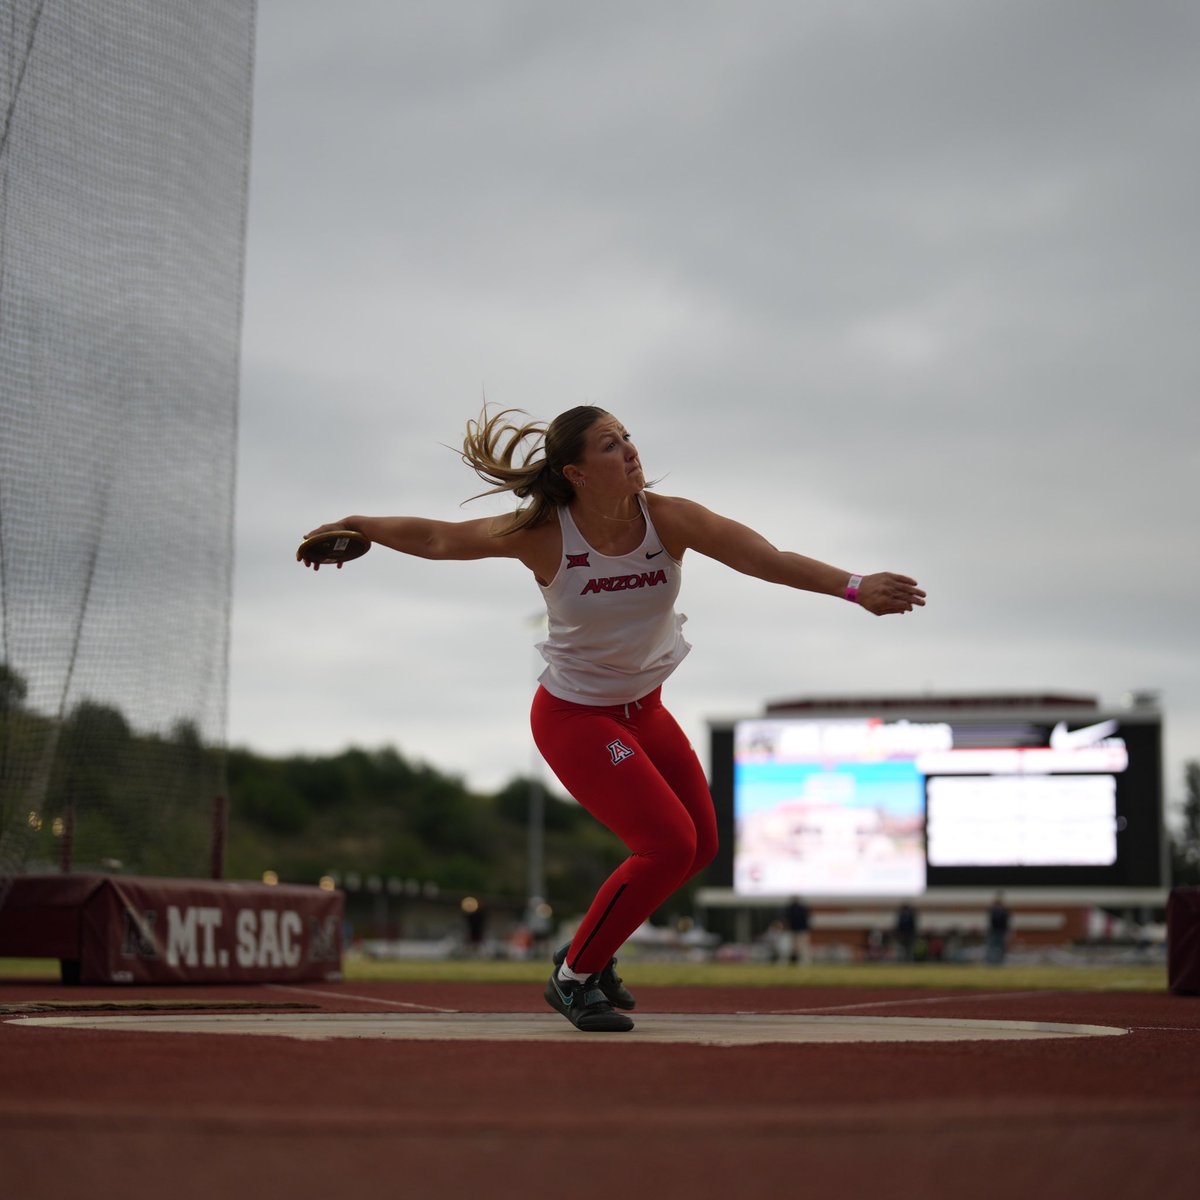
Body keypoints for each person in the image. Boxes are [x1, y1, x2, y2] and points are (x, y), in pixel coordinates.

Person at [301, 405, 926, 1032]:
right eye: (610, 444)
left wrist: (854, 586)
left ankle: (590, 958)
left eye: (627, 437)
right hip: (576, 717)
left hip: (646, 712)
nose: (629, 449)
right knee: (666, 844)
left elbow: (766, 558)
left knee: (701, 845)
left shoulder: (671, 519)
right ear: (575, 472)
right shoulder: (544, 533)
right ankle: (573, 977)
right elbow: (439, 538)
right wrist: (359, 525)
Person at [784, 896, 812, 965]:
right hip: (794, 931)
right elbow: (787, 920)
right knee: (792, 947)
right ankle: (792, 961)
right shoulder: (790, 909)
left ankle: (805, 961)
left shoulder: (802, 909)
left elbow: (807, 919)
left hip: (801, 930)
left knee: (802, 947)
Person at [986, 891, 1011, 964]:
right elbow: (991, 921)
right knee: (991, 947)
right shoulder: (993, 910)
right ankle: (990, 961)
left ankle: (1001, 961)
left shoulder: (1004, 911)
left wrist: (1007, 932)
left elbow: (1006, 922)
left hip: (1002, 932)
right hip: (994, 931)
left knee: (1002, 948)